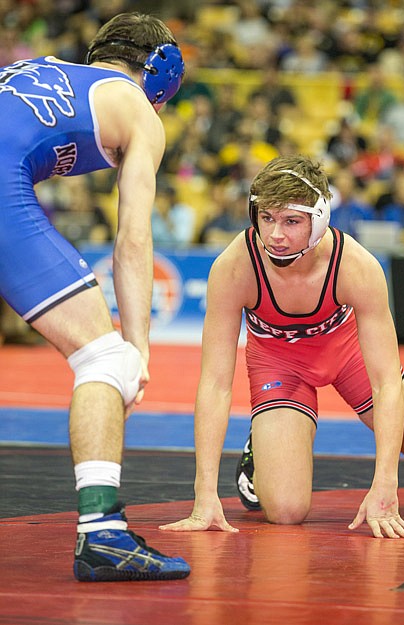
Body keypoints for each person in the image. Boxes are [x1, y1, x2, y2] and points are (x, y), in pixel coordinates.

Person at [160, 154, 404, 540]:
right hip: (278, 365)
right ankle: (263, 445)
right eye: (267, 218)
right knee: (286, 512)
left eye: (291, 221)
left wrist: (385, 484)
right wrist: (203, 493)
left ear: (319, 220)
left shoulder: (355, 265)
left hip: (346, 354)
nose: (275, 235)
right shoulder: (235, 267)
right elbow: (215, 384)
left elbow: (387, 381)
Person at [0, 12, 190, 581]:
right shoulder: (135, 108)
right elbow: (133, 238)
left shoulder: (35, 69)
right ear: (161, 73)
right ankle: (103, 533)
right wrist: (138, 349)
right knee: (103, 358)